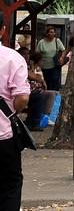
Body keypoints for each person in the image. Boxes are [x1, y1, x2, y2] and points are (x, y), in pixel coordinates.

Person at [0, 12, 31, 210]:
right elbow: (22, 98)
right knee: (10, 185)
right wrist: (14, 112)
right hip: (3, 135)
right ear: (2, 30)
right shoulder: (12, 58)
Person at [35, 26, 66, 91]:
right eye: (51, 32)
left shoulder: (57, 41)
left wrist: (62, 57)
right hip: (45, 66)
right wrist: (38, 64)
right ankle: (48, 97)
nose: (53, 34)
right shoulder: (41, 42)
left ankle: (55, 97)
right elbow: (37, 54)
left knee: (55, 82)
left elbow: (63, 50)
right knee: (47, 83)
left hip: (55, 65)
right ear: (47, 33)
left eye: (53, 32)